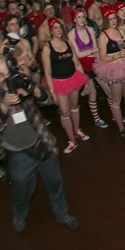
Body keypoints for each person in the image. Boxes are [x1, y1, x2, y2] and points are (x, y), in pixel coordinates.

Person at [0, 55, 80, 234]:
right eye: (1, 75)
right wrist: (4, 104)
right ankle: (19, 214)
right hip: (17, 152)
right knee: (23, 189)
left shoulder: (20, 80)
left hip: (41, 142)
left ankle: (61, 213)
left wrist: (33, 90)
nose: (6, 78)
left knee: (55, 182)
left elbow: (47, 99)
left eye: (8, 73)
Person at [93, 5, 125, 141]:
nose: (113, 21)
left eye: (114, 18)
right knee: (116, 100)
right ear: (106, 21)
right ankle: (122, 128)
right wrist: (117, 55)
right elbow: (103, 57)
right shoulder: (103, 36)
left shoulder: (120, 32)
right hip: (114, 69)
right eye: (110, 19)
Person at [41, 18, 90, 155]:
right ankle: (72, 140)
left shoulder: (68, 43)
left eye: (60, 27)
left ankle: (77, 130)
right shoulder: (47, 48)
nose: (58, 30)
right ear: (51, 30)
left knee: (75, 106)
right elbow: (47, 72)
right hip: (59, 83)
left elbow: (77, 63)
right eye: (55, 28)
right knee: (65, 112)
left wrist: (84, 80)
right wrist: (52, 91)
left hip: (73, 79)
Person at [68, 6, 109, 129]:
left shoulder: (90, 29)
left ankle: (115, 112)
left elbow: (96, 51)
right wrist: (92, 50)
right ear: (74, 20)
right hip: (82, 67)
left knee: (108, 89)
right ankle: (97, 119)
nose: (81, 19)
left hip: (94, 64)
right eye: (78, 17)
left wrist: (100, 63)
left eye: (83, 16)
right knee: (93, 93)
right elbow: (78, 54)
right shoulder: (71, 34)